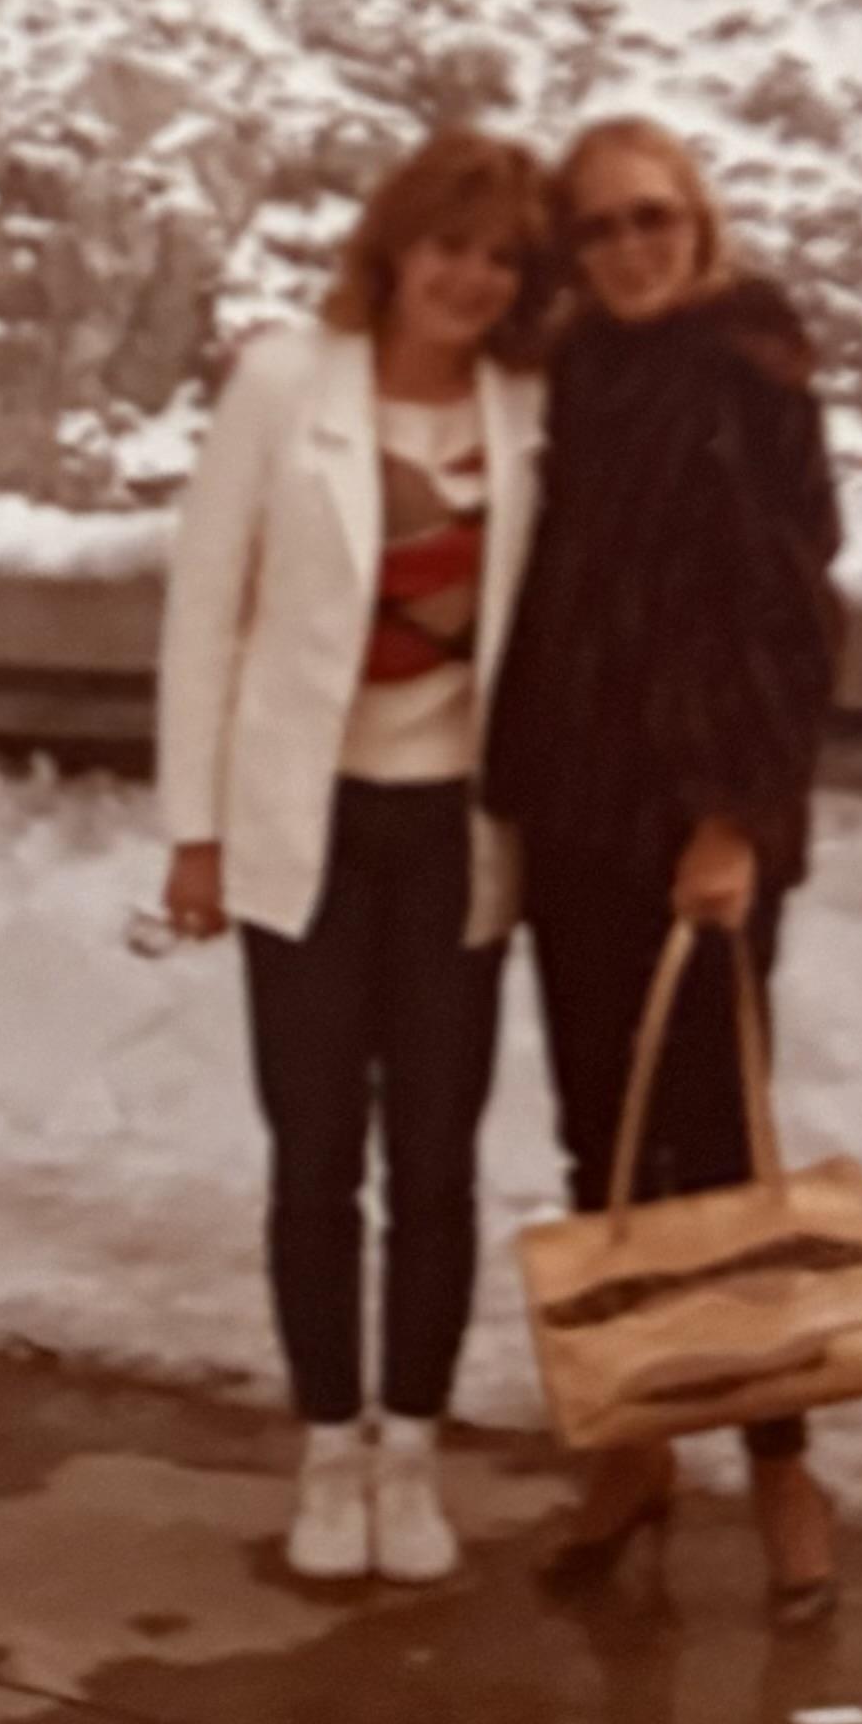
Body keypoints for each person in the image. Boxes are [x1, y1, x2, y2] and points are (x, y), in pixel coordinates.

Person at [158, 129, 551, 1585]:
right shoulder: (282, 387)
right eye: (448, 245)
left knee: (436, 1161)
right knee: (315, 1156)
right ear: (394, 248)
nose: (469, 277)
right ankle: (327, 1450)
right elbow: (206, 610)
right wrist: (193, 836)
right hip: (303, 826)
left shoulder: (529, 411)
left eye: (502, 257)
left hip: (457, 832)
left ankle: (411, 1453)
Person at [483, 115, 846, 1625]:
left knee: (723, 1144)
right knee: (603, 1151)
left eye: (653, 220)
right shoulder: (569, 379)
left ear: (699, 224)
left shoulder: (747, 375)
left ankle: (780, 1470)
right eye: (598, 230)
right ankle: (635, 1450)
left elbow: (789, 618)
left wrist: (735, 821)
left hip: (695, 827)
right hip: (572, 817)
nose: (629, 249)